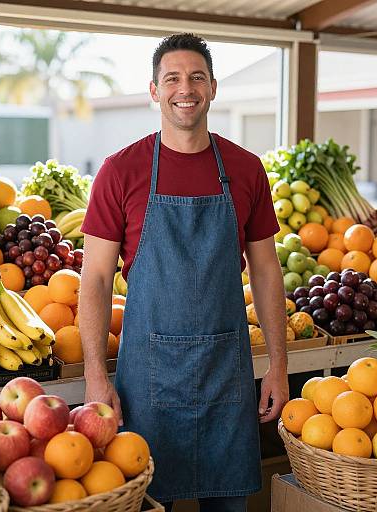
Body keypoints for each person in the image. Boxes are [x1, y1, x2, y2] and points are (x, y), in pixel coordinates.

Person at [80, 33, 289, 512]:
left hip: (226, 375)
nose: (185, 88)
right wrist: (95, 374)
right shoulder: (121, 171)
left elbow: (266, 270)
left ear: (213, 87)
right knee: (151, 501)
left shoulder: (247, 169)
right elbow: (93, 280)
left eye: (197, 77)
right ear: (154, 90)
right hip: (149, 378)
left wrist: (277, 365)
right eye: (171, 78)